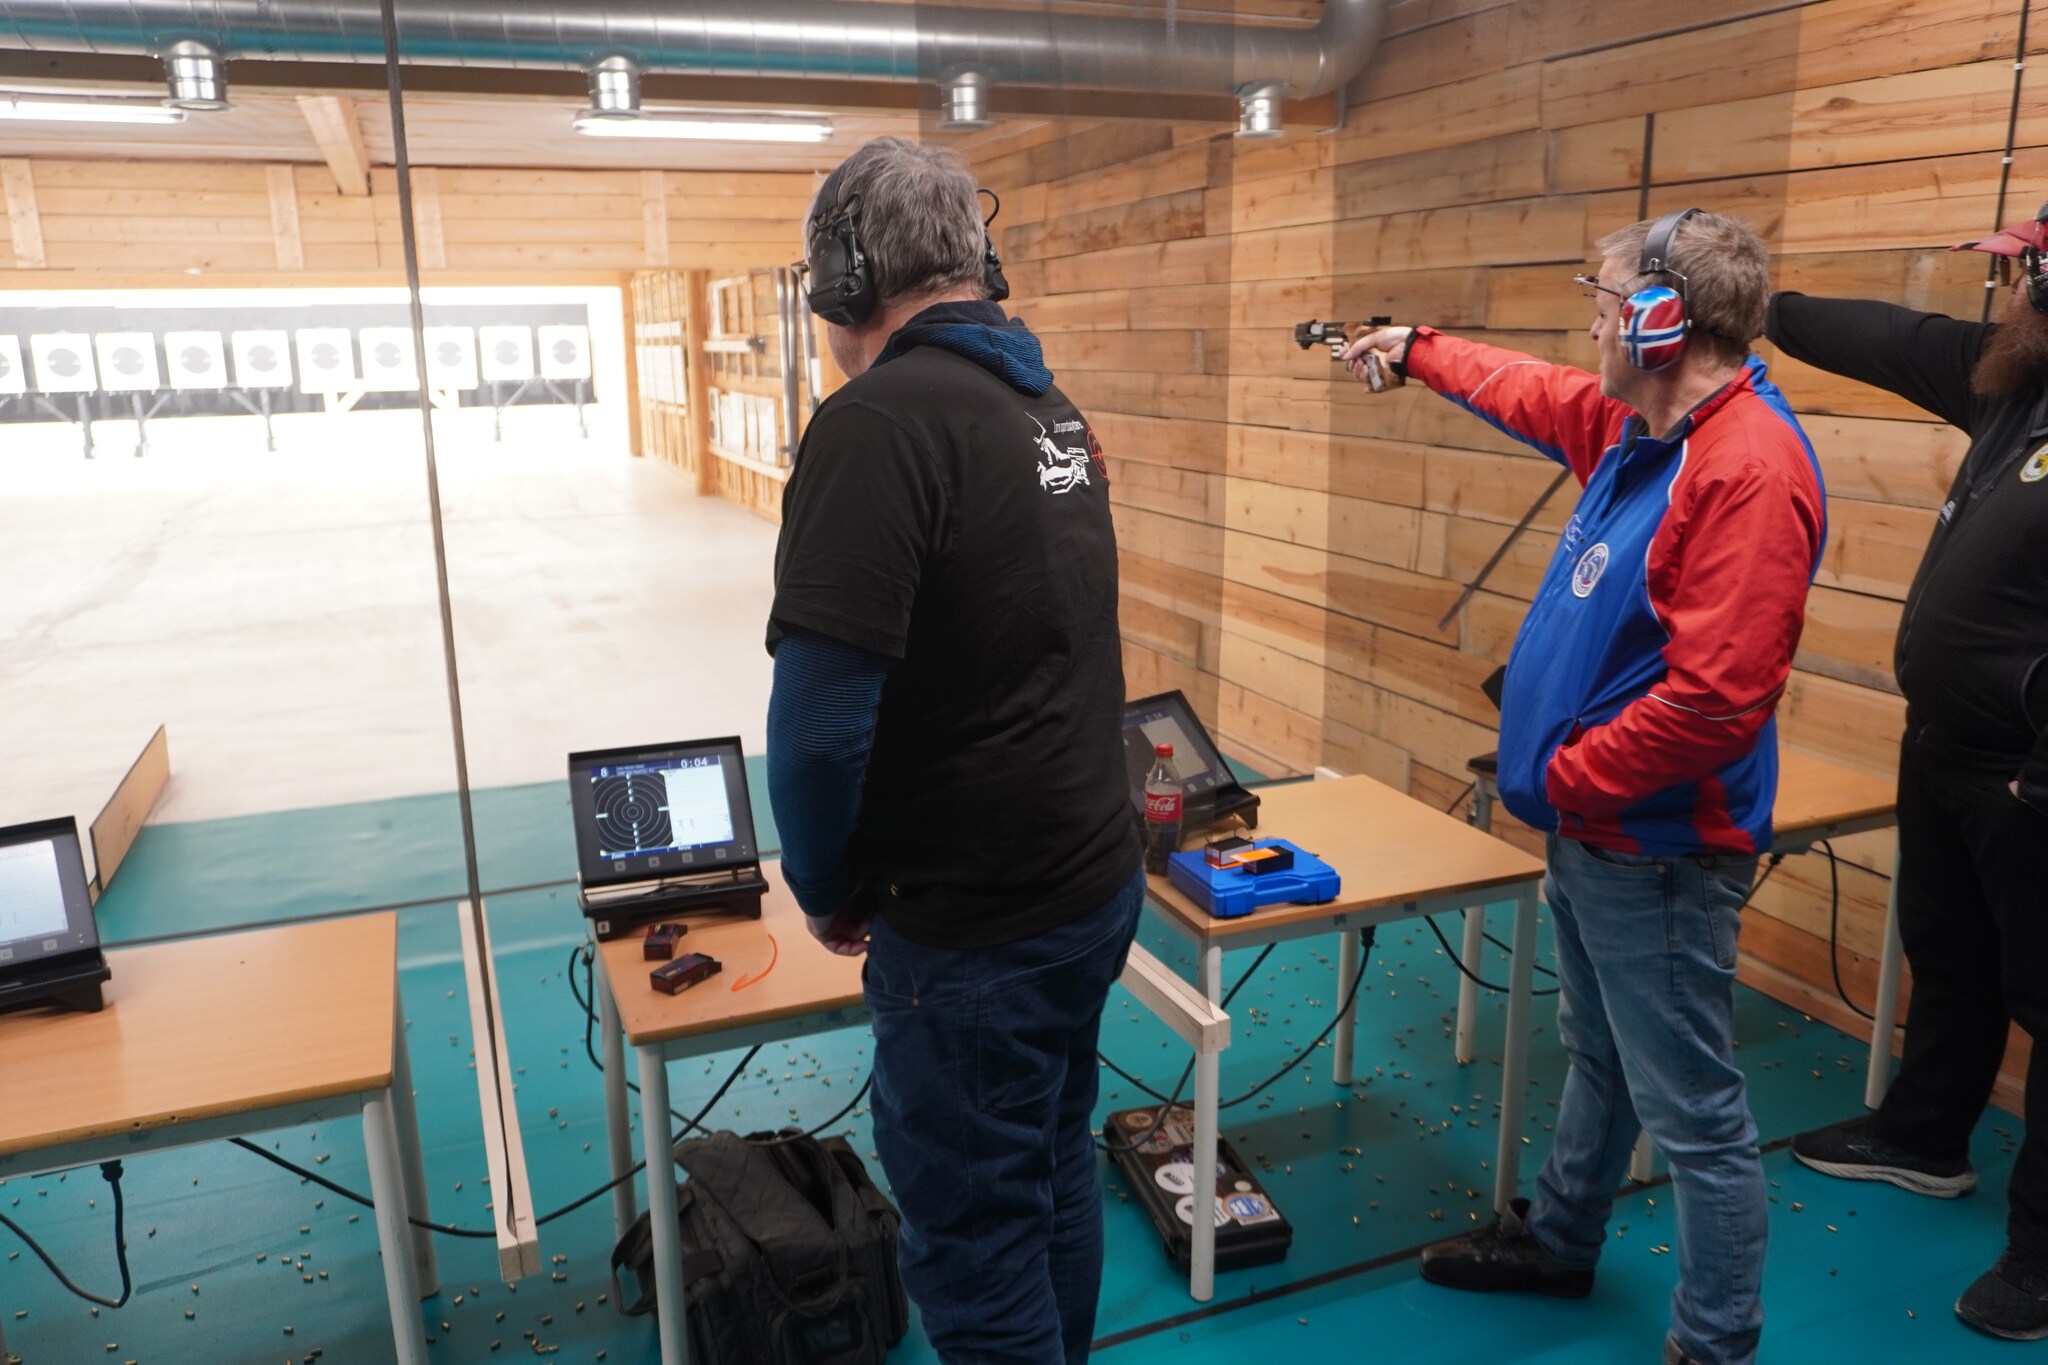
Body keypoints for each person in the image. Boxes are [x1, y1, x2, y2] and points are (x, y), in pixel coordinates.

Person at [1340, 209, 1827, 1365]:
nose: (1591, 320)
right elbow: (1526, 389)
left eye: (1603, 300)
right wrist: (1414, 348)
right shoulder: (1639, 431)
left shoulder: (1745, 471)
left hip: (1653, 847)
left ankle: (1712, 1342)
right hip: (1598, 835)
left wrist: (1563, 782)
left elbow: (1716, 701)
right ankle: (1559, 1240)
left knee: (1696, 1119)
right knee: (1599, 1058)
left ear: (1659, 321)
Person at [762, 137, 1142, 1365]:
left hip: (978, 928)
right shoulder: (1047, 406)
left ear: (841, 279)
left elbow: (819, 734)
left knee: (974, 1253)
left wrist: (824, 886)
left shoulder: (874, 423)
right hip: (1089, 884)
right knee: (1046, 1177)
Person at [1766, 209, 2048, 1342]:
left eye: (2023, 271)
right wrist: (1759, 311)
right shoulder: (2011, 383)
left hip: (2029, 774)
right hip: (1946, 744)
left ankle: (2041, 1254)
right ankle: (1924, 1137)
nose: (2010, 292)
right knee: (1948, 953)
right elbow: (1891, 336)